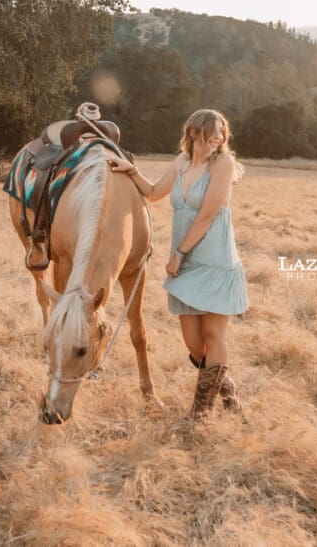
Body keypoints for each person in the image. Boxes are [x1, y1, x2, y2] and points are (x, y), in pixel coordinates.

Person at [106, 109, 249, 419]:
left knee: (214, 337)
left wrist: (178, 253)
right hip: (185, 263)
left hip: (214, 259)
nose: (219, 136)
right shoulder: (182, 161)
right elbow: (155, 193)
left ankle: (200, 414)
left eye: (223, 132)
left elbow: (207, 215)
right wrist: (131, 170)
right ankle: (227, 388)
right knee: (194, 345)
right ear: (195, 130)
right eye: (213, 130)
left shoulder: (222, 163)